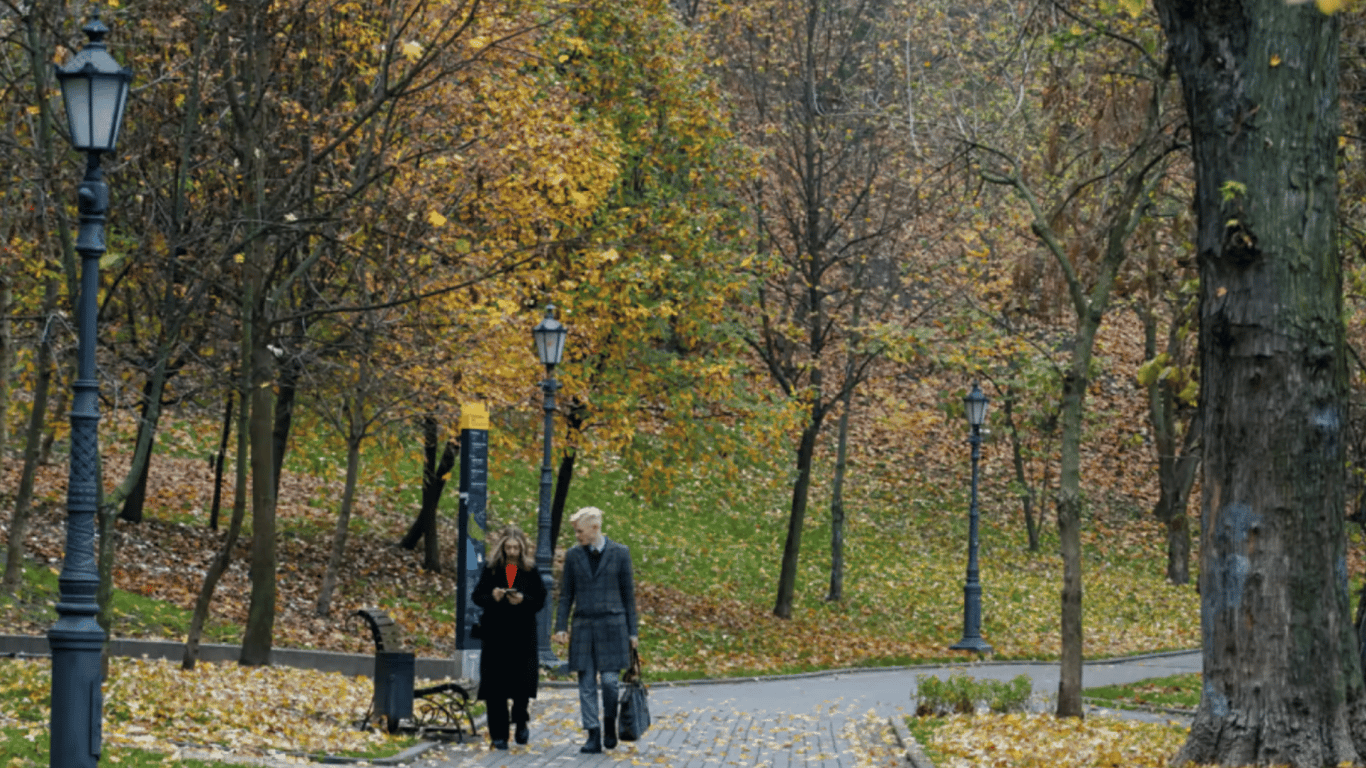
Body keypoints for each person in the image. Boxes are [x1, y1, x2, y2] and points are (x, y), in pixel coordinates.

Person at [552, 506, 638, 754]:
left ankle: (609, 723)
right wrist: (560, 626)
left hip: (613, 627)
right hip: (583, 628)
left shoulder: (621, 553)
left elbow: (628, 596)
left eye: (580, 531)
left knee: (611, 683)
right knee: (586, 684)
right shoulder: (573, 555)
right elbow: (566, 594)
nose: (577, 536)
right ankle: (593, 733)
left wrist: (633, 633)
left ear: (595, 528)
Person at [471, 524, 546, 750]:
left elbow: (540, 600)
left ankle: (521, 720)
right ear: (502, 548)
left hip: (522, 636)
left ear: (522, 548)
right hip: (496, 635)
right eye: (508, 547)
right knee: (496, 688)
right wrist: (493, 596)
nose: (512, 552)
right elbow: (477, 596)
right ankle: (499, 735)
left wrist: (523, 600)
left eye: (515, 548)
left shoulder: (530, 571)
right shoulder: (492, 569)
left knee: (521, 686)